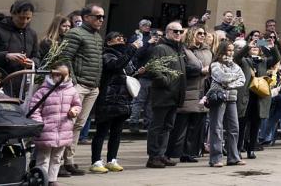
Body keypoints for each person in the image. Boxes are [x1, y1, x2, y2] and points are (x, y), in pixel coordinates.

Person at [50, 3, 106, 177]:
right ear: (87, 17)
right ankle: (56, 164)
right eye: (98, 16)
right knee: (67, 124)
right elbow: (65, 57)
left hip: (92, 86)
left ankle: (69, 161)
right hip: (79, 85)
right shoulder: (76, 33)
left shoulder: (97, 37)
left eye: (103, 17)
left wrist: (96, 84)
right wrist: (73, 82)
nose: (101, 20)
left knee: (78, 125)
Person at [140, 21, 189, 168]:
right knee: (157, 126)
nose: (178, 34)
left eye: (180, 32)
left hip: (175, 94)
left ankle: (161, 155)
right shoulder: (161, 48)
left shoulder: (179, 49)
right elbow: (155, 69)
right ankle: (153, 156)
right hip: (163, 94)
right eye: (175, 31)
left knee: (167, 126)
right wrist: (167, 81)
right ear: (168, 32)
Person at [89, 31, 138, 173]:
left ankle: (112, 159)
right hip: (108, 99)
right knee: (102, 132)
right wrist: (132, 49)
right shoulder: (107, 54)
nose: (122, 40)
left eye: (123, 38)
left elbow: (127, 72)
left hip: (122, 99)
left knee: (117, 132)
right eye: (118, 38)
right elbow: (115, 66)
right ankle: (96, 161)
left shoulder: (125, 56)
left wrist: (138, 71)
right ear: (109, 42)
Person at [29, 64, 83, 185]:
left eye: (65, 75)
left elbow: (77, 104)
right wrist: (39, 123)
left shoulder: (72, 90)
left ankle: (52, 179)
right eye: (58, 74)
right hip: (46, 130)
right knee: (43, 157)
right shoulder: (43, 90)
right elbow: (34, 108)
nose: (62, 78)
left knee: (57, 157)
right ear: (52, 75)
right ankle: (42, 179)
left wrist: (74, 110)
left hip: (64, 129)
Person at [171, 25, 211, 163]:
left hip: (202, 92)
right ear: (192, 34)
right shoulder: (184, 49)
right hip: (188, 91)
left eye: (204, 33)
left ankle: (190, 152)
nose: (202, 35)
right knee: (182, 125)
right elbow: (182, 68)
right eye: (199, 33)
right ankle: (176, 152)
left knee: (196, 125)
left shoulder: (207, 51)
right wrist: (200, 71)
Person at [207, 40, 245, 167]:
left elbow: (242, 79)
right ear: (222, 50)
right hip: (218, 97)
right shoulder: (215, 64)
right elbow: (222, 77)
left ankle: (233, 157)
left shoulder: (234, 65)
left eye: (232, 50)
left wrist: (229, 84)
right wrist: (232, 78)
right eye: (228, 50)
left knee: (234, 128)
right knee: (217, 128)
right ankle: (215, 158)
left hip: (232, 98)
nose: (231, 52)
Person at [235, 40, 268, 159]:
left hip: (258, 98)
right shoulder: (244, 61)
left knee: (255, 125)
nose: (255, 48)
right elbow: (236, 57)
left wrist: (271, 45)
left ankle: (251, 149)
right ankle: (238, 149)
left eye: (257, 47)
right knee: (242, 124)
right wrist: (247, 46)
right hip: (246, 97)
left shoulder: (263, 61)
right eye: (253, 47)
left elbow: (276, 57)